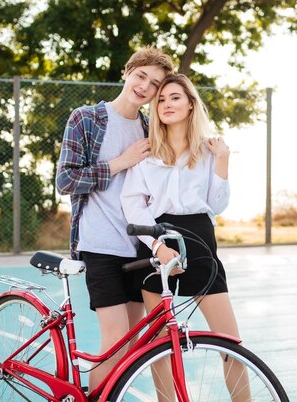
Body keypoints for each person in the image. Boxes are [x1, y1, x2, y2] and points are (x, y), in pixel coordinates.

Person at [120, 73, 250, 401]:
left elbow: (216, 206)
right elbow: (132, 205)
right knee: (159, 346)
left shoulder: (209, 151)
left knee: (231, 345)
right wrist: (158, 246)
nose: (166, 104)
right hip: (158, 243)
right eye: (161, 100)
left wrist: (223, 160)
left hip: (200, 243)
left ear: (191, 104)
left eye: (175, 97)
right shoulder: (146, 155)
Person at [55, 46, 174, 390]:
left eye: (153, 84)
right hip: (100, 245)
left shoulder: (153, 128)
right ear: (127, 72)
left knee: (132, 345)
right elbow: (65, 180)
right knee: (116, 342)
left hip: (140, 248)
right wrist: (119, 162)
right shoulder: (87, 118)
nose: (144, 87)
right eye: (141, 76)